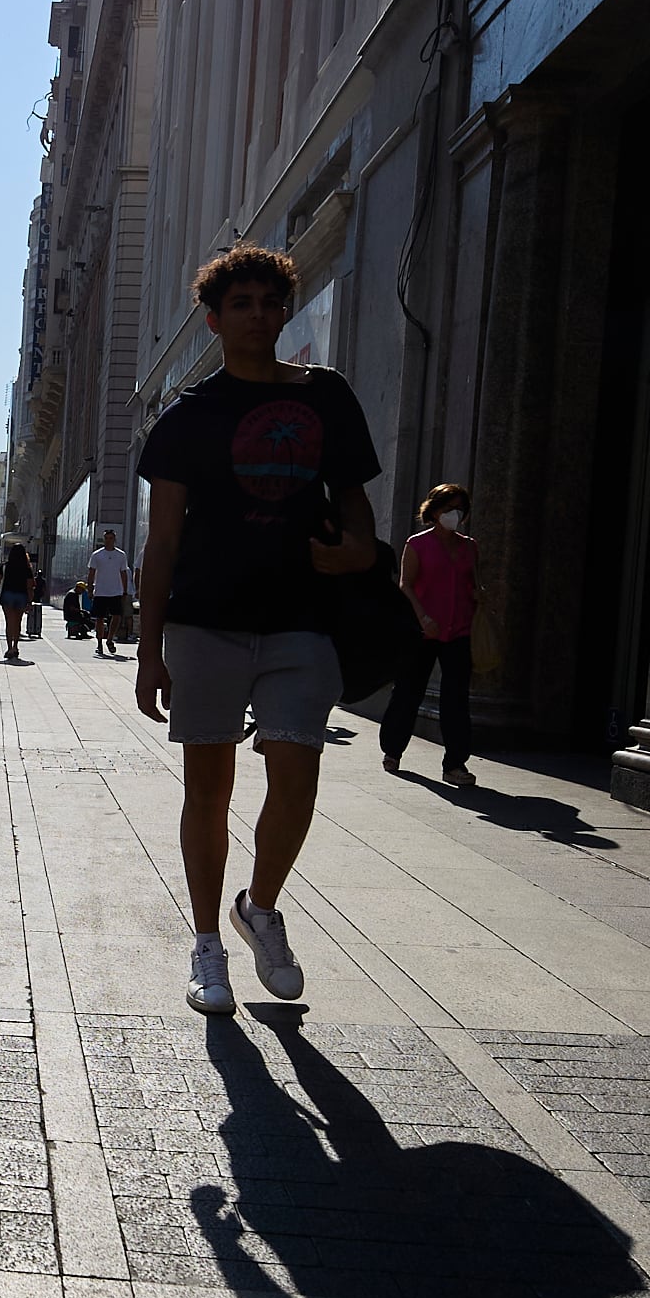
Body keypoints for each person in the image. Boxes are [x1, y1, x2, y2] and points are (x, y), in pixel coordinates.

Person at [135, 243, 381, 1017]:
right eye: (239, 304)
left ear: (284, 312)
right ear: (213, 319)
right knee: (208, 789)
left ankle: (260, 907)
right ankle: (207, 942)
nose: (257, 316)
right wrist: (148, 649)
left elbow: (357, 502)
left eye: (269, 303)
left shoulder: (327, 398)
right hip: (206, 619)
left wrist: (360, 548)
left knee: (297, 773)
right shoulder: (189, 414)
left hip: (302, 616)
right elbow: (163, 541)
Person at [380, 482, 479, 783]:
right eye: (449, 509)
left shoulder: (469, 546)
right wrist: (422, 616)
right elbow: (406, 585)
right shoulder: (418, 544)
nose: (455, 514)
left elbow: (471, 583)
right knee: (409, 691)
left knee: (456, 698)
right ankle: (393, 749)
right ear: (434, 511)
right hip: (422, 630)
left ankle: (455, 764)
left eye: (460, 509)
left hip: (458, 629)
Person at [86, 527, 135, 657]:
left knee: (117, 616)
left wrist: (125, 590)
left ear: (114, 540)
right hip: (101, 591)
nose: (108, 541)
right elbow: (91, 573)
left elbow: (123, 573)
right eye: (106, 538)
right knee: (100, 618)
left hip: (115, 591)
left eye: (111, 538)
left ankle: (109, 639)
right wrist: (90, 589)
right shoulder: (97, 555)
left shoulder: (121, 555)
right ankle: (100, 643)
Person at [0, 540, 38, 662]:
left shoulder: (5, 566)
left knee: (9, 623)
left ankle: (9, 648)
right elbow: (30, 585)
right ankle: (15, 647)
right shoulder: (26, 568)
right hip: (21, 596)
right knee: (18, 622)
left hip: (7, 595)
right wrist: (30, 601)